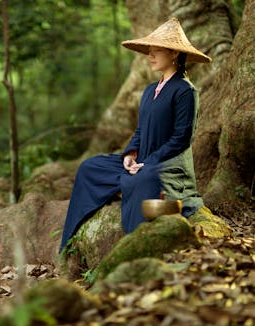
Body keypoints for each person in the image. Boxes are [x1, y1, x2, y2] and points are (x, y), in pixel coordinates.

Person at [59, 17, 212, 251]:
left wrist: (147, 162)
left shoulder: (185, 91)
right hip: (140, 160)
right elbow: (140, 130)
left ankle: (136, 240)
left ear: (173, 54)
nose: (150, 56)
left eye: (156, 51)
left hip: (167, 165)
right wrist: (130, 155)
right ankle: (125, 183)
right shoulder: (150, 89)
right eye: (149, 51)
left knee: (144, 178)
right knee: (90, 167)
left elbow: (182, 138)